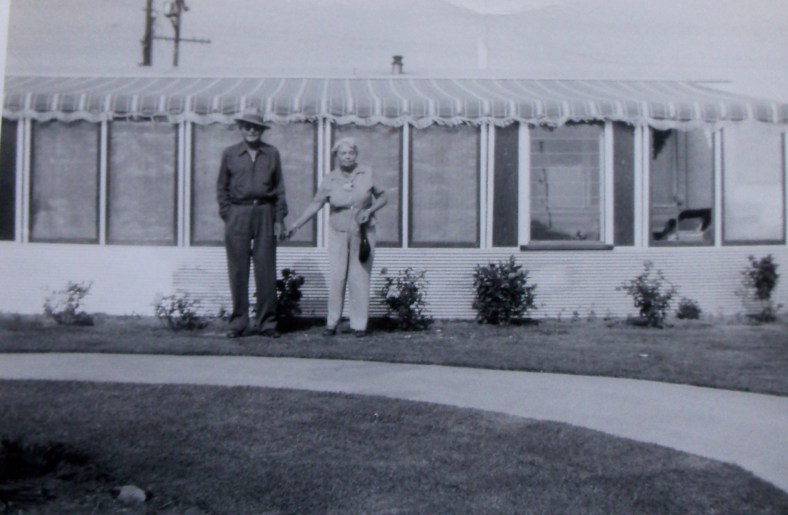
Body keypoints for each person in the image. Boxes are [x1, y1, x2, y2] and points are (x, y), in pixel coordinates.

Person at [285, 137, 387, 337]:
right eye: (343, 153)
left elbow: (383, 197)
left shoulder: (367, 173)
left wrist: (371, 209)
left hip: (364, 232)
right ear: (336, 156)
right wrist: (296, 225)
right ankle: (332, 323)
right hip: (338, 232)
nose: (347, 157)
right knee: (338, 277)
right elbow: (316, 204)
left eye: (351, 153)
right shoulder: (330, 179)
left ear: (356, 155)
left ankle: (359, 325)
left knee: (360, 277)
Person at [217, 113, 287, 339]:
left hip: (265, 211)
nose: (251, 131)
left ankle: (267, 323)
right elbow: (222, 187)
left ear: (262, 130)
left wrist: (279, 219)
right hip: (238, 212)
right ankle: (239, 322)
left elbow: (280, 188)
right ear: (241, 128)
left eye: (256, 127)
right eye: (247, 127)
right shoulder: (230, 154)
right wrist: (228, 213)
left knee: (265, 268)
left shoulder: (272, 153)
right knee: (238, 268)